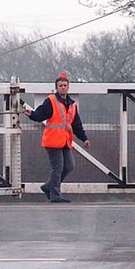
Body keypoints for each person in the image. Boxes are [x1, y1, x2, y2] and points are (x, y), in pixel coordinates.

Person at [23, 73, 90, 203]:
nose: (63, 88)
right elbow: (40, 114)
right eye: (60, 86)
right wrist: (31, 114)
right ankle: (55, 194)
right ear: (56, 88)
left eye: (65, 85)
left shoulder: (72, 105)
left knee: (69, 166)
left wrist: (84, 139)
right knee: (58, 168)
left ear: (68, 87)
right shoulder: (51, 101)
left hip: (65, 141)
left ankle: (48, 186)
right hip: (52, 141)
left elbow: (77, 125)